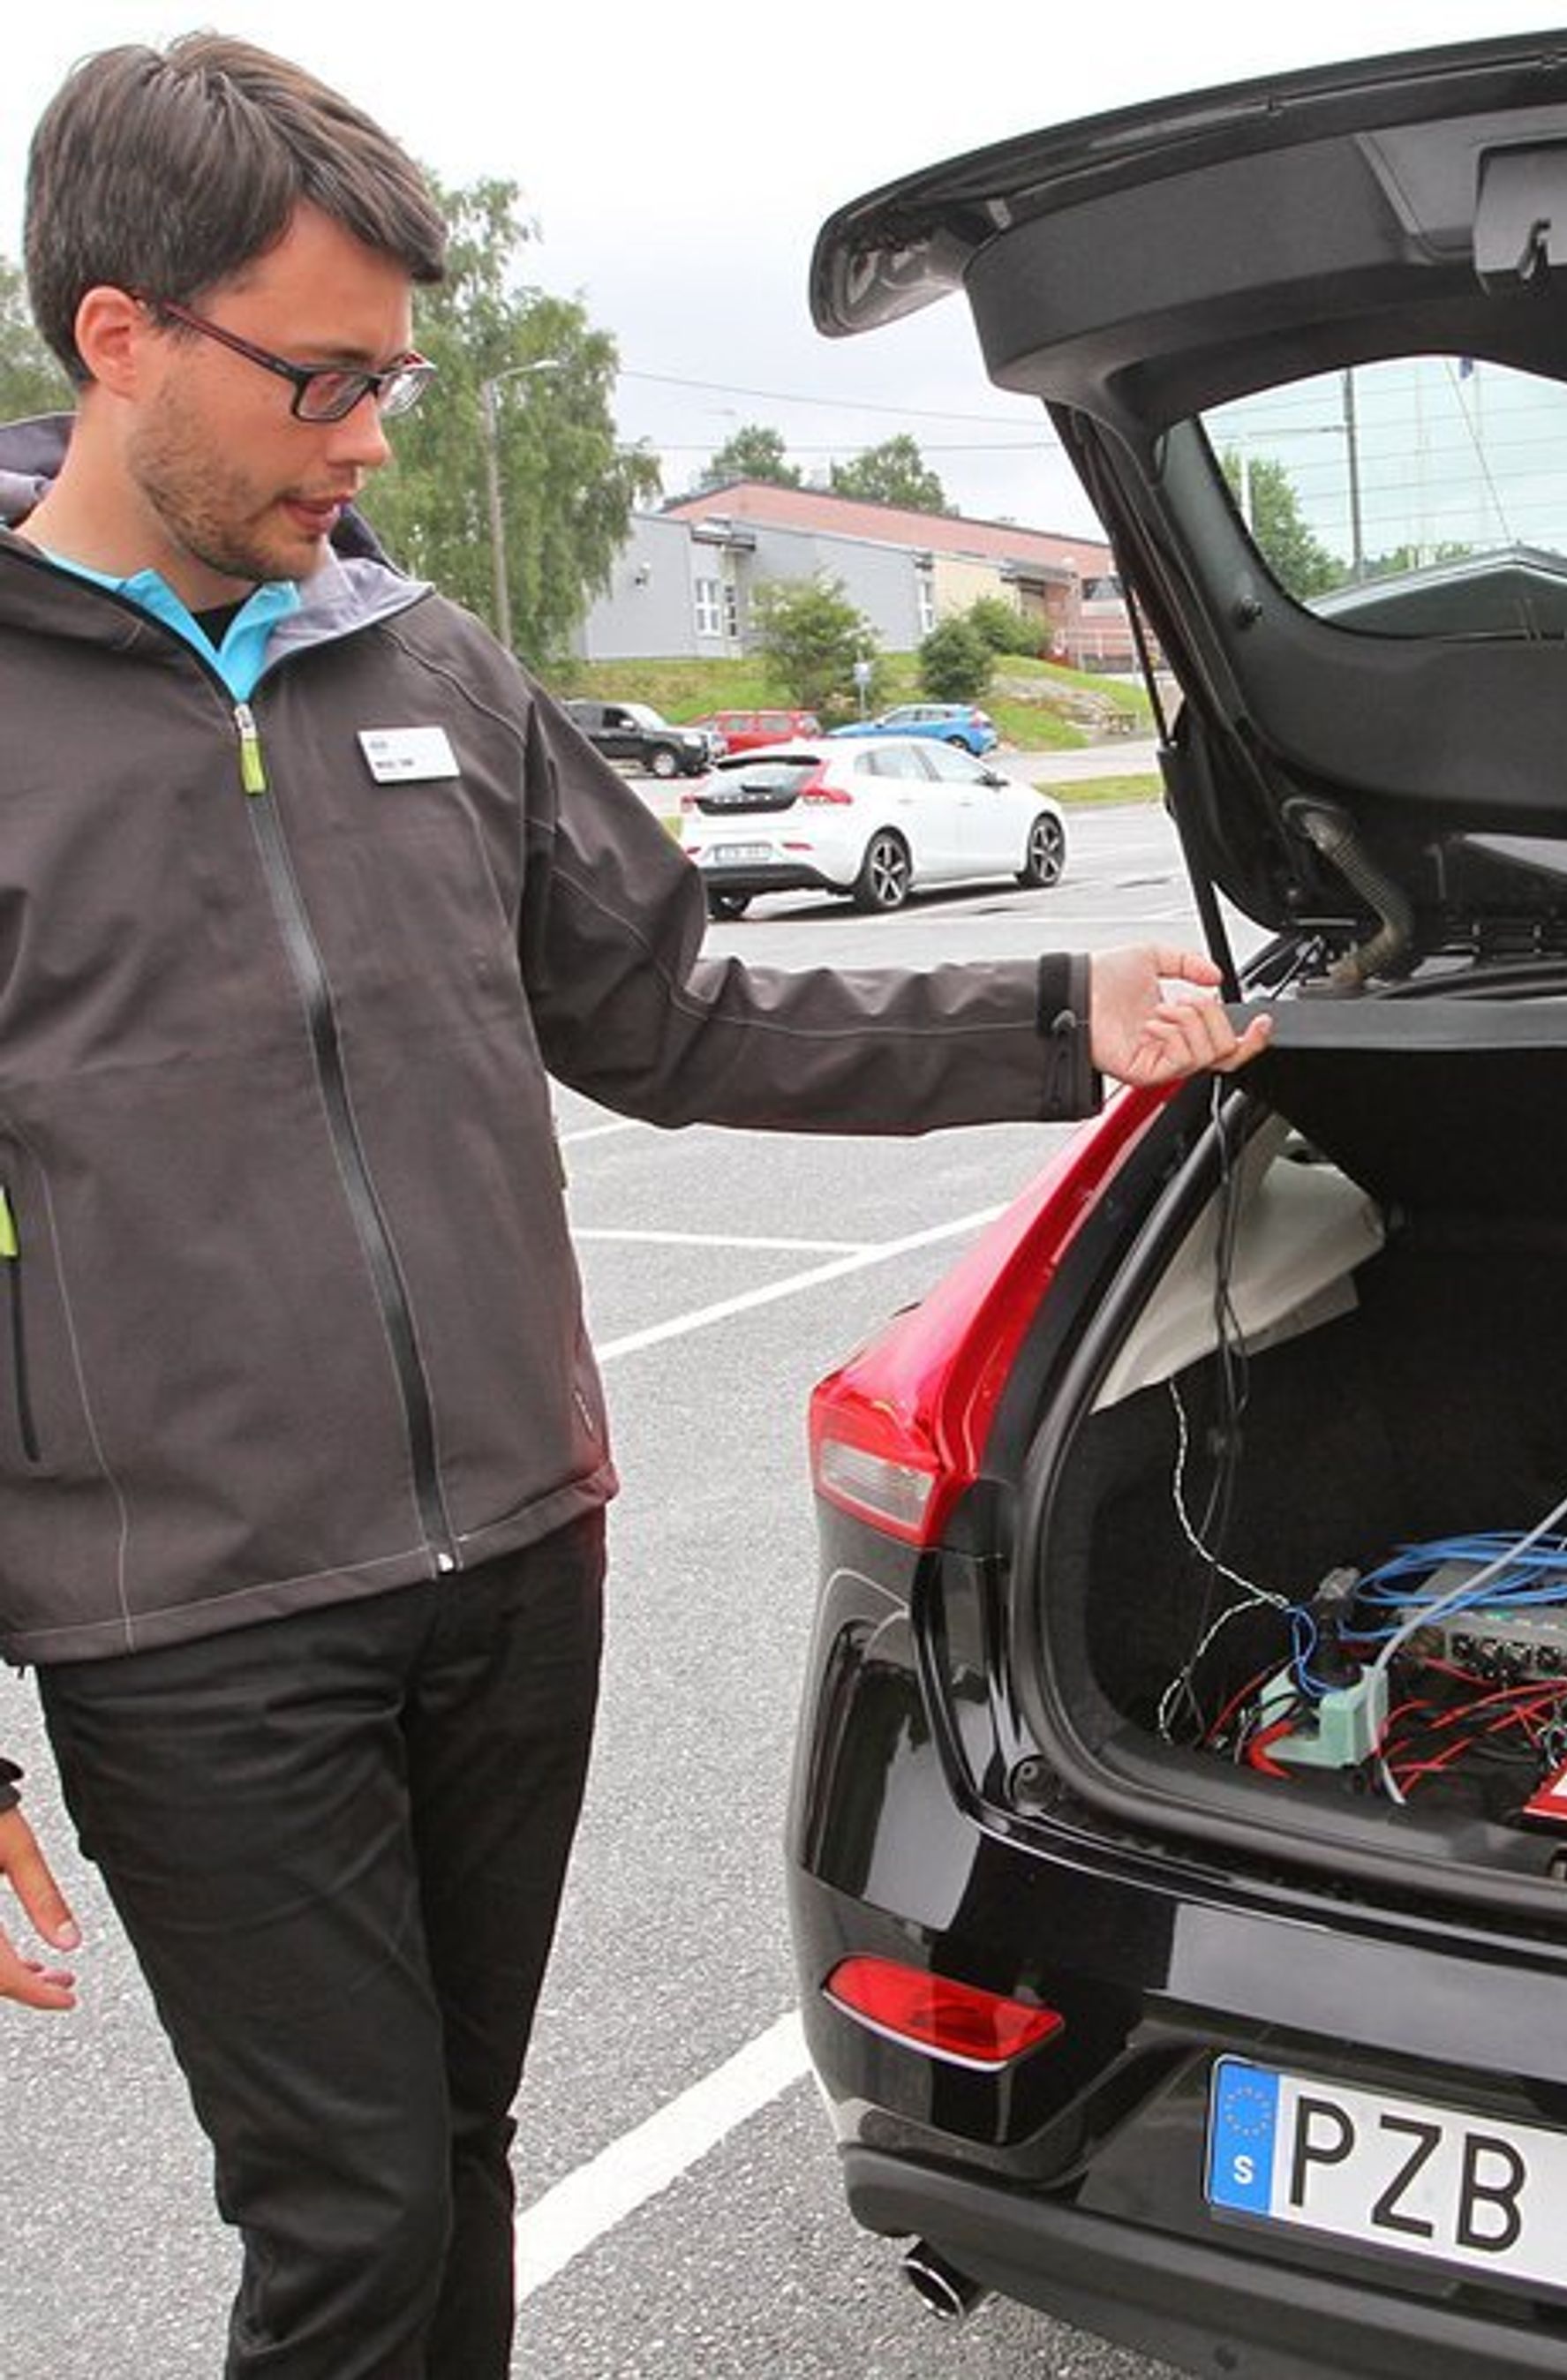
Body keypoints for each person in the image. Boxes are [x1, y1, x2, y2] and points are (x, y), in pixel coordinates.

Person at [0, 33, 1268, 2379]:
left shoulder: (435, 670)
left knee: (460, 2146)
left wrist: (1059, 1007)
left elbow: (680, 1017)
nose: (372, 435)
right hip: (192, 1630)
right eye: (322, 378)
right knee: (353, 2219)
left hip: (510, 1567)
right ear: (119, 336)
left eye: (393, 373)